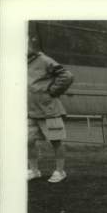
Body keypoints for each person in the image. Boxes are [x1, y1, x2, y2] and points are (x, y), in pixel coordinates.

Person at [27, 32, 74, 183]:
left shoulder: (45, 60)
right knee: (27, 141)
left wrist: (52, 92)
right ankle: (34, 171)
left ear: (31, 45)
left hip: (49, 110)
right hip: (29, 112)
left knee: (56, 141)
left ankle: (60, 171)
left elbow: (67, 76)